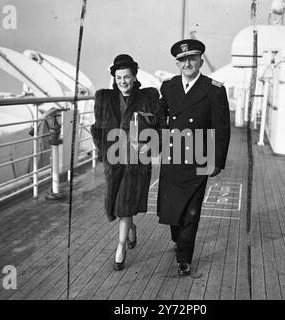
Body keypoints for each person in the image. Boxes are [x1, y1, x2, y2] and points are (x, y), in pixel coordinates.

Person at [157, 39, 230, 276]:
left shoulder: (214, 89)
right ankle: (179, 241)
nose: (187, 63)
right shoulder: (168, 87)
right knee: (171, 209)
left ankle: (184, 258)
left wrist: (216, 162)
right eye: (182, 60)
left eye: (192, 58)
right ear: (177, 63)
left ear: (200, 60)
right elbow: (160, 115)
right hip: (172, 154)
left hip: (198, 155)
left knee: (191, 211)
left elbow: (222, 128)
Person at [90, 54, 166, 271]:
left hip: (137, 161)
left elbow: (160, 126)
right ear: (114, 77)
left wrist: (150, 146)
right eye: (119, 77)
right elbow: (96, 129)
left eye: (127, 77)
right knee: (118, 205)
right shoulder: (103, 98)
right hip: (114, 161)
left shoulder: (149, 96)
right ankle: (131, 229)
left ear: (135, 77)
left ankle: (120, 248)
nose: (123, 81)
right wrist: (104, 151)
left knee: (124, 203)